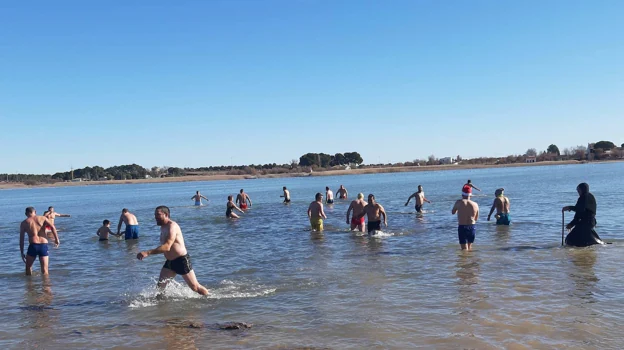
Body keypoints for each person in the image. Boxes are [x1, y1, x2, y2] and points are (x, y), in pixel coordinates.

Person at [136, 206, 209, 295]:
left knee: (195, 287)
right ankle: (161, 307)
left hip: (181, 260)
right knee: (160, 288)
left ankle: (210, 298)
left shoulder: (172, 226)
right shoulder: (163, 227)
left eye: (158, 215)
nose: (155, 217)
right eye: (155, 215)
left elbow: (167, 247)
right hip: (170, 262)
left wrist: (148, 252)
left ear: (166, 215)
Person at [19, 207, 60, 276]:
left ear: (26, 214)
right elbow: (52, 227)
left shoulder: (24, 223)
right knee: (45, 271)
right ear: (35, 211)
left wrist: (22, 252)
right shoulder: (42, 218)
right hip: (43, 246)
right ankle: (46, 285)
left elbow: (21, 239)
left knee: (28, 268)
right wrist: (56, 239)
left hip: (33, 246)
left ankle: (30, 285)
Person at [562, 183, 605, 247]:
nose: (578, 193)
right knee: (581, 241)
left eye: (578, 191)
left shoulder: (584, 197)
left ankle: (583, 253)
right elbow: (579, 212)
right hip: (589, 222)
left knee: (570, 240)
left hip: (586, 223)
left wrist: (569, 208)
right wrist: (572, 224)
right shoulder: (590, 196)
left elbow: (580, 211)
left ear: (582, 190)